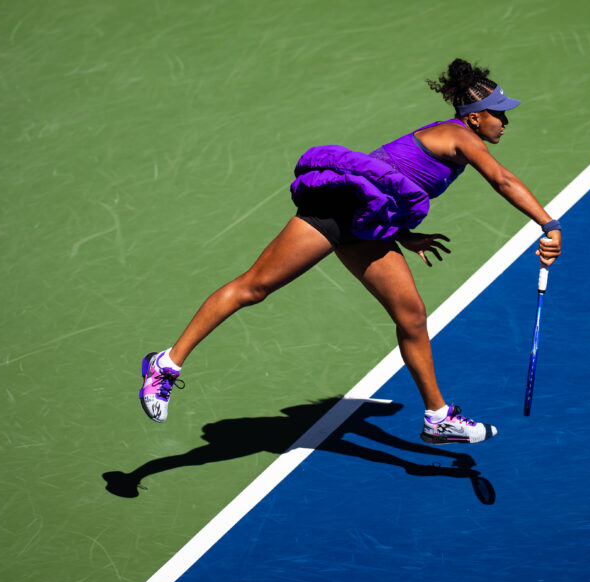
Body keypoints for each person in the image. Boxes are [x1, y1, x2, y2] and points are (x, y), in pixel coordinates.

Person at [138, 58, 562, 445]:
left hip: (368, 227)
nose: (505, 121)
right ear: (474, 117)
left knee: (411, 316)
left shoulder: (454, 141)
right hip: (335, 214)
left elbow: (388, 187)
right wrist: (549, 224)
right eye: (499, 113)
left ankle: (437, 416)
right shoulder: (459, 137)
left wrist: (403, 234)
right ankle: (166, 364)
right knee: (254, 288)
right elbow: (503, 181)